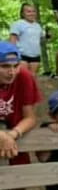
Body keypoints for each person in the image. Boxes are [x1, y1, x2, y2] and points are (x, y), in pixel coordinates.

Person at [0, 42, 41, 175]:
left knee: (20, 172)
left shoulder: (24, 76)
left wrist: (12, 135)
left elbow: (30, 117)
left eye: (15, 66)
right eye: (5, 66)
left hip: (15, 134)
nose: (11, 72)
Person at [9, 3, 44, 74]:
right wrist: (12, 55)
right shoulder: (18, 24)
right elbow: (12, 40)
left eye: (33, 11)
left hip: (35, 55)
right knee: (23, 75)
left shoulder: (38, 26)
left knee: (32, 77)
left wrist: (47, 37)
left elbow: (40, 40)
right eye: (28, 11)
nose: (31, 13)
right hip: (22, 55)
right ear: (23, 13)